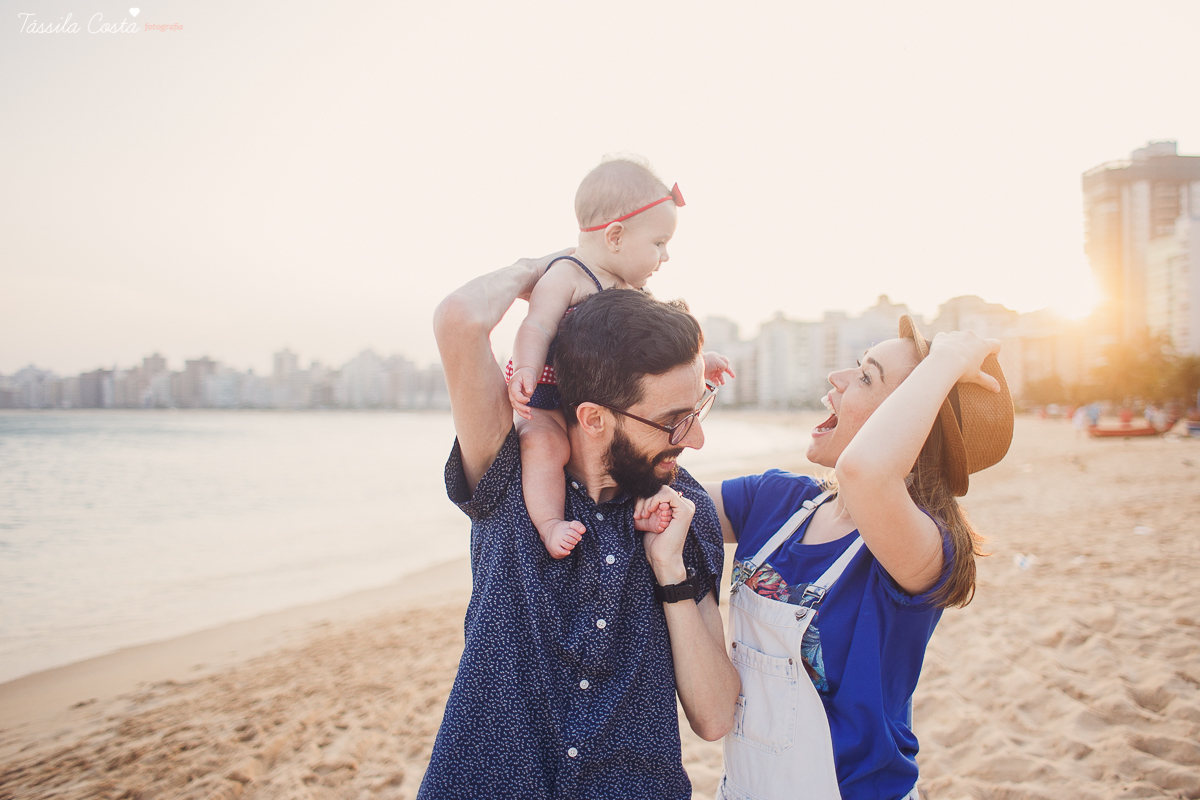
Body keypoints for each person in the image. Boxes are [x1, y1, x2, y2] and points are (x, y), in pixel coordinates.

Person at [421, 253, 739, 799]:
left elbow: (714, 717)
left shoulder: (684, 511)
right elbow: (460, 319)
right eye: (672, 421)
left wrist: (670, 571)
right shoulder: (508, 474)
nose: (696, 439)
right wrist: (555, 269)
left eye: (698, 409)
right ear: (593, 418)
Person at [660, 315, 1011, 800]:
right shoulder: (778, 499)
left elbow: (865, 472)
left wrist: (947, 360)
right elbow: (663, 500)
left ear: (911, 425)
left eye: (866, 377)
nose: (837, 378)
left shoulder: (928, 547)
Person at [507, 157, 732, 558]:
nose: (665, 256)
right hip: (545, 391)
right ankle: (549, 522)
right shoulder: (567, 275)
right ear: (615, 237)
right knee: (544, 446)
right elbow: (536, 325)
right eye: (659, 244)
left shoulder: (634, 293)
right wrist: (526, 367)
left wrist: (700, 361)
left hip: (603, 398)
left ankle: (632, 515)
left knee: (628, 449)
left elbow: (657, 353)